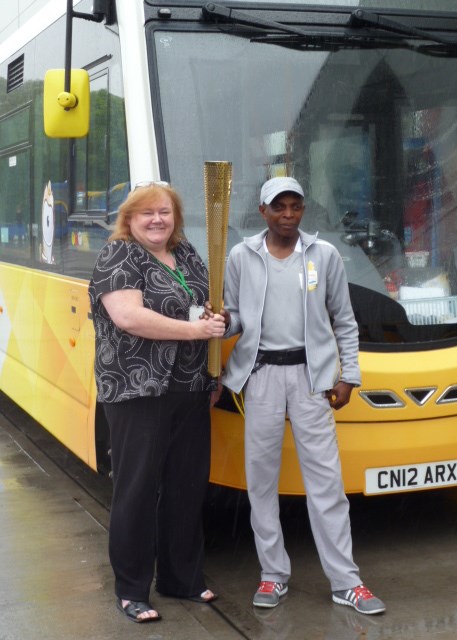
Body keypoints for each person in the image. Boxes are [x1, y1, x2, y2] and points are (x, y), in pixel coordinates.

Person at [220, 176, 386, 615]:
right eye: (279, 207)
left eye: (295, 206)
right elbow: (236, 317)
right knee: (261, 481)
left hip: (312, 379)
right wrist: (222, 319)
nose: (288, 214)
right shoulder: (241, 255)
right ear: (263, 211)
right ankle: (273, 575)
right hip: (261, 377)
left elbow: (344, 321)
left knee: (326, 483)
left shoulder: (324, 255)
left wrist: (348, 375)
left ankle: (346, 582)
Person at [88, 182, 226, 623]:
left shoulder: (185, 253)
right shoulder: (119, 255)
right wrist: (198, 333)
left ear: (175, 217)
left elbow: (207, 306)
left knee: (187, 486)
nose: (157, 220)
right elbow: (128, 317)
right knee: (137, 490)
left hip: (188, 386)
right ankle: (131, 590)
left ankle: (180, 578)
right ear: (129, 218)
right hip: (135, 391)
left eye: (164, 212)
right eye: (146, 213)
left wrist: (214, 364)